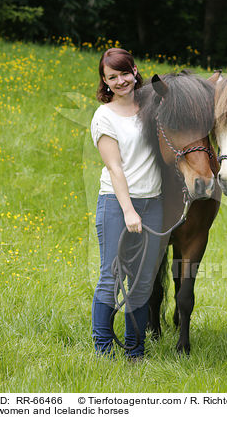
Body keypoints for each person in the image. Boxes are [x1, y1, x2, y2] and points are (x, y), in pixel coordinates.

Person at [90, 48, 163, 359]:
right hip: (117, 204)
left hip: (154, 203)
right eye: (112, 77)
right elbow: (115, 168)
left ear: (135, 70)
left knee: (143, 280)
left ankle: (135, 352)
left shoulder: (153, 108)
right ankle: (103, 349)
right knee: (112, 275)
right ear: (105, 82)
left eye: (124, 73)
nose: (120, 81)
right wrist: (130, 211)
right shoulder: (104, 116)